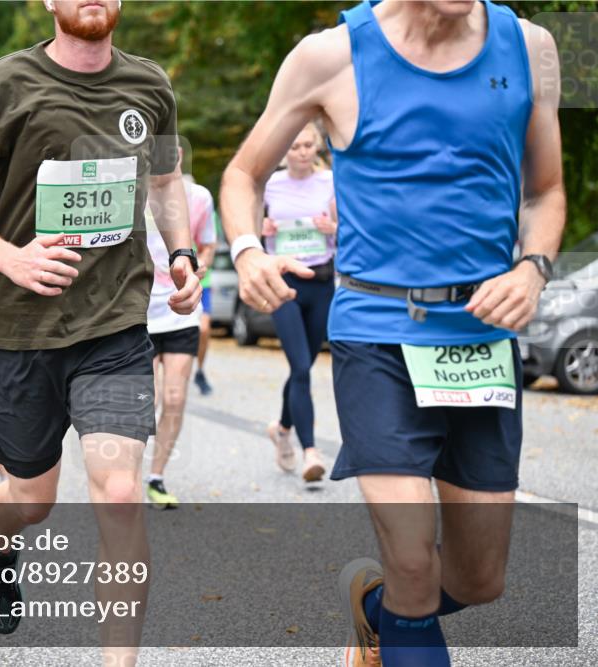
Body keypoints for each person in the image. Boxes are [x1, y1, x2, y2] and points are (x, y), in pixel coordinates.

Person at [220, 1, 564, 665]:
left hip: (481, 338)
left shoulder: (532, 47)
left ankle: (374, 613)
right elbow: (242, 172)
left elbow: (545, 191)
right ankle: (398, 602)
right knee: (412, 560)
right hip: (378, 331)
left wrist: (533, 268)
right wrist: (245, 249)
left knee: (477, 580)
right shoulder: (330, 56)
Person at [0, 1, 200, 661]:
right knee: (31, 500)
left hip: (114, 327)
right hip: (20, 332)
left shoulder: (150, 86)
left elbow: (164, 182)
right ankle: (0, 536)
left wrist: (182, 251)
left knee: (121, 493)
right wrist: (9, 257)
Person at [261, 121, 337, 483]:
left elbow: (351, 227)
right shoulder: (270, 184)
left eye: (308, 145)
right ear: (284, 151)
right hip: (283, 283)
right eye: (295, 146)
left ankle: (283, 428)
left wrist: (333, 230)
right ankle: (311, 451)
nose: (302, 152)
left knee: (301, 366)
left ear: (317, 147)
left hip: (320, 281)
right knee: (302, 367)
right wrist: (264, 231)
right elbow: (248, 229)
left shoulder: (330, 182)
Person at [144, 159, 216, 509]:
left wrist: (199, 264)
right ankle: (122, 472)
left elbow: (208, 246)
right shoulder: (131, 195)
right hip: (139, 312)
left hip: (181, 312)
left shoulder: (200, 197)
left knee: (174, 398)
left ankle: (156, 476)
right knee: (149, 399)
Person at [192, 210, 216, 396]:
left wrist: (202, 261)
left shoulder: (204, 211)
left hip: (202, 282)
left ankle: (199, 371)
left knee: (204, 329)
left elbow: (210, 246)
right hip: (169, 281)